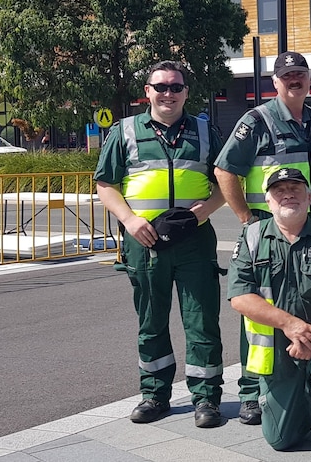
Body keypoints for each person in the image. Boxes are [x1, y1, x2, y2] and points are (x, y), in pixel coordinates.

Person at [214, 50, 311, 425]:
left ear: (309, 79)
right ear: (275, 83)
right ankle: (252, 392)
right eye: (287, 76)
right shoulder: (257, 120)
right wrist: (246, 218)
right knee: (261, 310)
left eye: (300, 74)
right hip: (273, 229)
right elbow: (225, 170)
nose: (295, 80)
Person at [94, 60, 226, 428]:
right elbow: (106, 183)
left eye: (176, 87)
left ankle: (207, 399)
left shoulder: (205, 131)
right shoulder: (124, 132)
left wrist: (203, 212)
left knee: (202, 320)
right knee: (151, 321)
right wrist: (130, 220)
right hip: (144, 240)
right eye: (161, 87)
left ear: (186, 92)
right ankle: (155, 395)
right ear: (147, 92)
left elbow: (225, 182)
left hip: (194, 239)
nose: (169, 93)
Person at [228, 167, 311, 459]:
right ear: (269, 201)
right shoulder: (252, 237)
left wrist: (310, 332)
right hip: (277, 344)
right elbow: (239, 296)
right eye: (279, 190)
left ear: (309, 197)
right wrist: (290, 325)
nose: (288, 194)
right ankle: (304, 400)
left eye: (295, 189)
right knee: (280, 439)